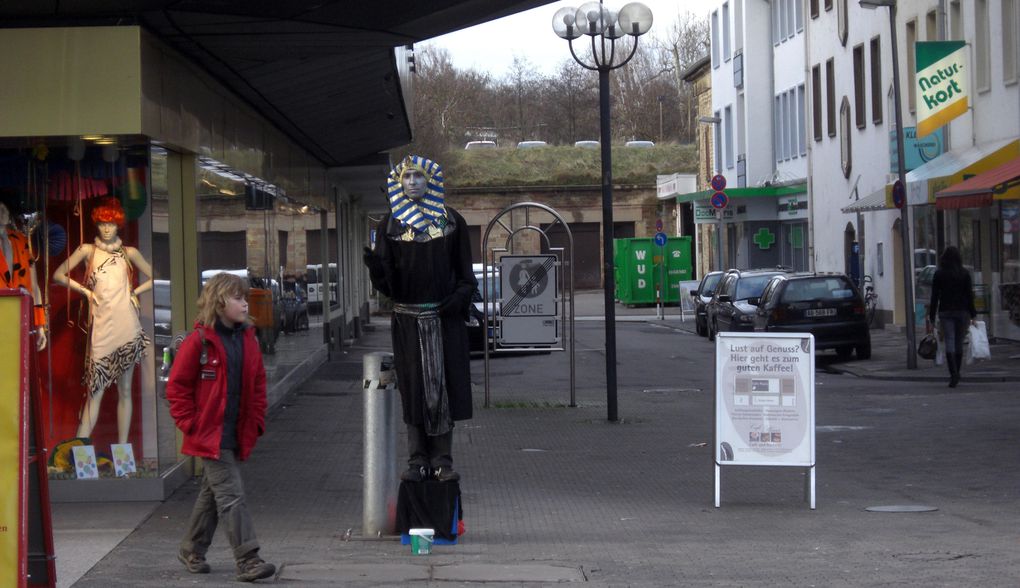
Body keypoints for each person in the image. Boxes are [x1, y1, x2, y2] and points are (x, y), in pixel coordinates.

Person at [363, 155, 477, 483]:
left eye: (418, 176)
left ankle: (442, 459)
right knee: (413, 390)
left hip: (444, 322)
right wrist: (377, 269)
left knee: (441, 389)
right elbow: (389, 286)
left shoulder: (452, 223)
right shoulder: (390, 226)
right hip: (408, 322)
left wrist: (455, 302)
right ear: (399, 183)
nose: (412, 182)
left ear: (431, 181)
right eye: (406, 177)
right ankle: (417, 460)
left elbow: (467, 277)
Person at [165, 272, 275, 582]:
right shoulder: (198, 341)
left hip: (236, 433)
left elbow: (257, 383)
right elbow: (177, 388)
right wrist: (191, 424)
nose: (244, 303)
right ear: (220, 301)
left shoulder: (248, 338)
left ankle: (192, 549)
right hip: (210, 436)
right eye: (238, 298)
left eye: (245, 298)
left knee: (213, 495)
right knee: (231, 495)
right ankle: (248, 559)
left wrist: (256, 422)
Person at [52, 197, 151, 443]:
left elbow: (154, 277)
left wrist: (134, 293)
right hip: (102, 327)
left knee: (125, 390)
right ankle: (79, 451)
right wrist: (87, 292)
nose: (107, 228)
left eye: (112, 223)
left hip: (127, 325)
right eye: (103, 223)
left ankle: (122, 453)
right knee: (94, 391)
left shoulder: (129, 253)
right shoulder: (88, 250)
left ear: (118, 225)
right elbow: (58, 275)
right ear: (97, 225)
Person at [0, 191, 47, 351]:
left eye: (4, 208)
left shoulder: (20, 242)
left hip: (18, 319)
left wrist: (40, 325)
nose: (2, 212)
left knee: (17, 371)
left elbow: (34, 287)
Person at [927, 245, 977, 388]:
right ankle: (957, 371)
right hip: (962, 311)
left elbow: (935, 296)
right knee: (959, 341)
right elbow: (969, 296)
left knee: (949, 340)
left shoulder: (939, 274)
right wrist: (973, 314)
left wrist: (931, 315)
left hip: (946, 311)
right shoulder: (964, 274)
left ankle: (953, 373)